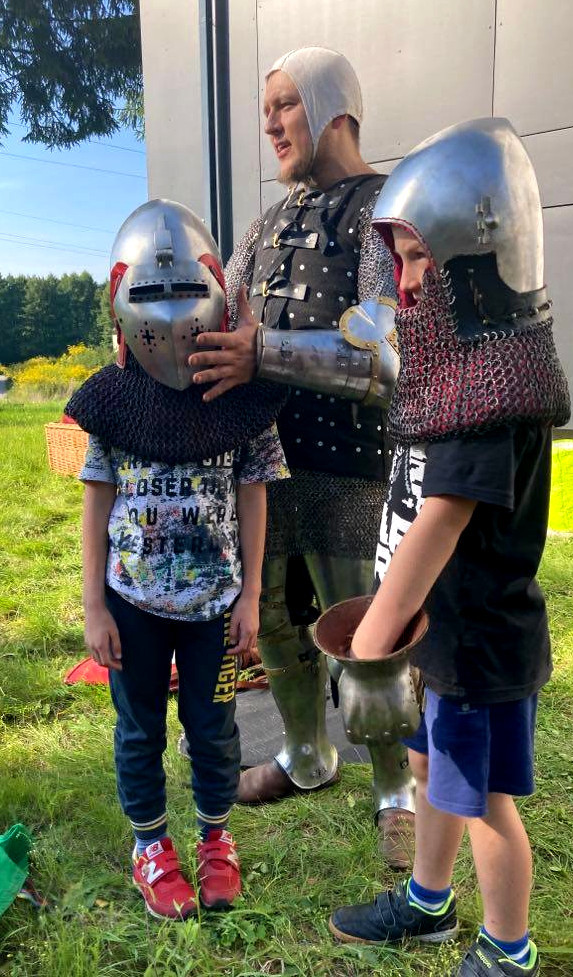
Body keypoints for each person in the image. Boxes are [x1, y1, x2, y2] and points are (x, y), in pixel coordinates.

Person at [328, 118, 571, 977]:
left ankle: (508, 950)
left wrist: (371, 635)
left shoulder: (494, 388)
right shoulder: (451, 371)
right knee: (431, 768)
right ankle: (428, 904)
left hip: (480, 644)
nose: (405, 282)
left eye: (420, 259)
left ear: (479, 258)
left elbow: (440, 517)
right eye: (398, 260)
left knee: (484, 803)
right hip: (442, 633)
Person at [188, 46, 415, 867]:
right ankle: (306, 754)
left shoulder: (384, 210)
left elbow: (385, 358)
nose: (271, 124)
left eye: (285, 104)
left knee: (365, 634)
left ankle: (395, 788)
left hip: (348, 465)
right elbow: (220, 315)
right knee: (277, 625)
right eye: (267, 110)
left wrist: (264, 354)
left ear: (331, 108)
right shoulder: (265, 225)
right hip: (264, 465)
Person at [66, 199, 288, 920]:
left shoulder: (238, 401)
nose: (167, 313)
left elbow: (253, 496)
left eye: (184, 289)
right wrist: (95, 605)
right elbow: (96, 504)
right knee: (139, 729)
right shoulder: (112, 402)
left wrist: (251, 595)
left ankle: (215, 837)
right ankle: (151, 846)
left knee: (213, 726)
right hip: (131, 603)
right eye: (151, 293)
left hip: (215, 607)